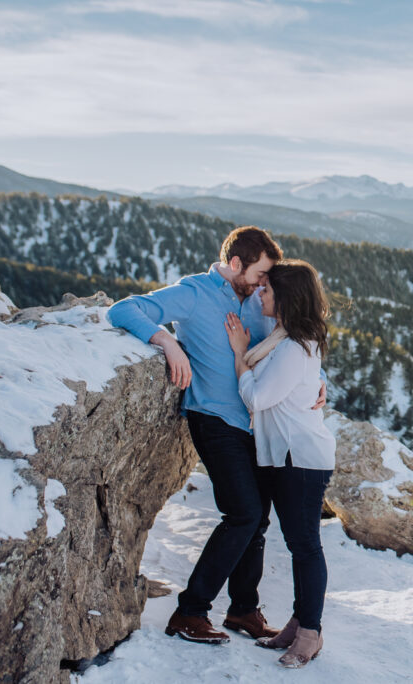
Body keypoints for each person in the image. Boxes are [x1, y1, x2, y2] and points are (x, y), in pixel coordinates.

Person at [107, 226, 325, 644]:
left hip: (256, 425)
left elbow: (288, 341)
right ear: (236, 264)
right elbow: (125, 309)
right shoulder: (194, 293)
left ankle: (244, 610)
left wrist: (318, 378)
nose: (266, 284)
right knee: (242, 513)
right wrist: (167, 340)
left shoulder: (261, 304)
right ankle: (190, 612)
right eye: (260, 274)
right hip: (213, 420)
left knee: (257, 520)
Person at [224, 259, 335, 668]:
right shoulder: (284, 338)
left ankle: (311, 633)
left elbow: (257, 398)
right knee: (297, 545)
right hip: (283, 457)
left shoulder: (292, 347)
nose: (260, 294)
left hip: (301, 459)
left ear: (286, 297)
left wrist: (239, 354)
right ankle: (298, 624)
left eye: (267, 290)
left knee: (305, 546)